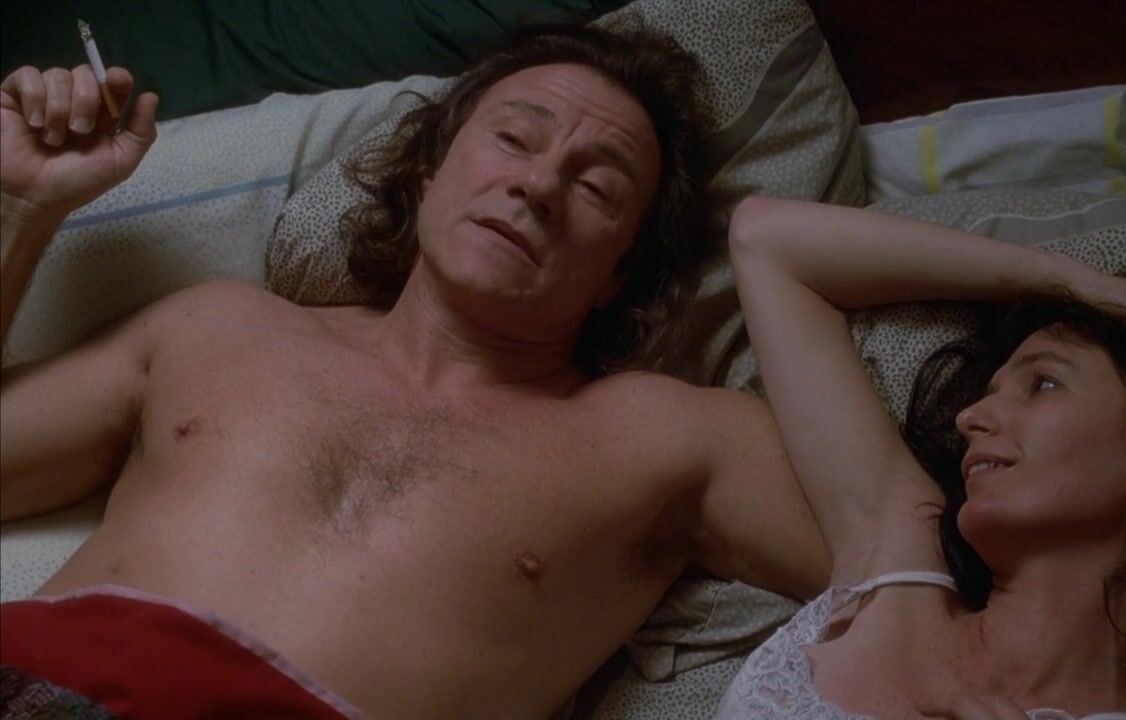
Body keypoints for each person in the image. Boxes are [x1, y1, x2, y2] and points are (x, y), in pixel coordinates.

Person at [0, 26, 830, 718]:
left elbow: (896, 571)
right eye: (513, 139)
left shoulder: (666, 438)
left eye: (597, 187)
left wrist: (791, 255)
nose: (538, 184)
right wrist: (21, 206)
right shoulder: (214, 327)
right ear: (429, 173)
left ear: (622, 271)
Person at [715, 196, 1126, 720]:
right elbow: (766, 240)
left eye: (1043, 384)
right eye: (989, 392)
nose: (970, 418)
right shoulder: (898, 552)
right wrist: (1076, 281)